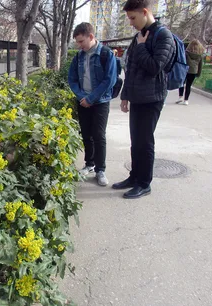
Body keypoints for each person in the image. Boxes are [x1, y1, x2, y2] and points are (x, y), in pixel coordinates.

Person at [112, 0, 175, 198]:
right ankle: (134, 176)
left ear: (145, 12)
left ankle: (144, 183)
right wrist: (125, 96)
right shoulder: (139, 36)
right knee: (135, 140)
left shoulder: (163, 35)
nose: (131, 22)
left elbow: (155, 67)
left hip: (152, 98)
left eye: (133, 18)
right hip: (137, 97)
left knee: (145, 141)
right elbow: (130, 68)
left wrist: (141, 47)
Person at [68, 22, 117, 186]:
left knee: (99, 135)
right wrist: (82, 97)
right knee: (86, 134)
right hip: (83, 101)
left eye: (81, 41)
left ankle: (100, 170)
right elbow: (72, 79)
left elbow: (109, 80)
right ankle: (89, 164)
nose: (79, 45)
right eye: (77, 42)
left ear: (91, 36)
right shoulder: (78, 56)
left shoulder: (106, 54)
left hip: (100, 102)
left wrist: (92, 98)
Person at [176, 39, 204, 106]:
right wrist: (198, 73)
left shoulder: (186, 53)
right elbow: (200, 65)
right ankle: (186, 100)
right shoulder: (200, 55)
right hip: (193, 71)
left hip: (185, 70)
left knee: (182, 83)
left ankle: (180, 97)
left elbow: (183, 62)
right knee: (189, 85)